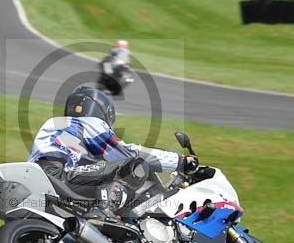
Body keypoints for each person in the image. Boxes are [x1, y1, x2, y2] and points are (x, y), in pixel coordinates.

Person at [28, 85, 198, 220]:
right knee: (135, 165)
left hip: (42, 179)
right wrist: (179, 162)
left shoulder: (62, 126)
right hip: (57, 174)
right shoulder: (88, 123)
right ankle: (102, 212)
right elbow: (127, 154)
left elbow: (94, 169)